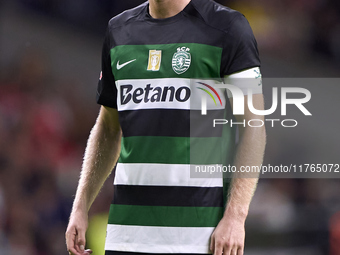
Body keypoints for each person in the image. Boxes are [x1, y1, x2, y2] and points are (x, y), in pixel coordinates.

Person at [65, 0, 266, 255]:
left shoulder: (227, 27)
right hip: (126, 235)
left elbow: (253, 126)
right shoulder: (119, 30)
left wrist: (236, 217)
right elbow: (107, 128)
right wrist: (81, 206)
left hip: (199, 236)